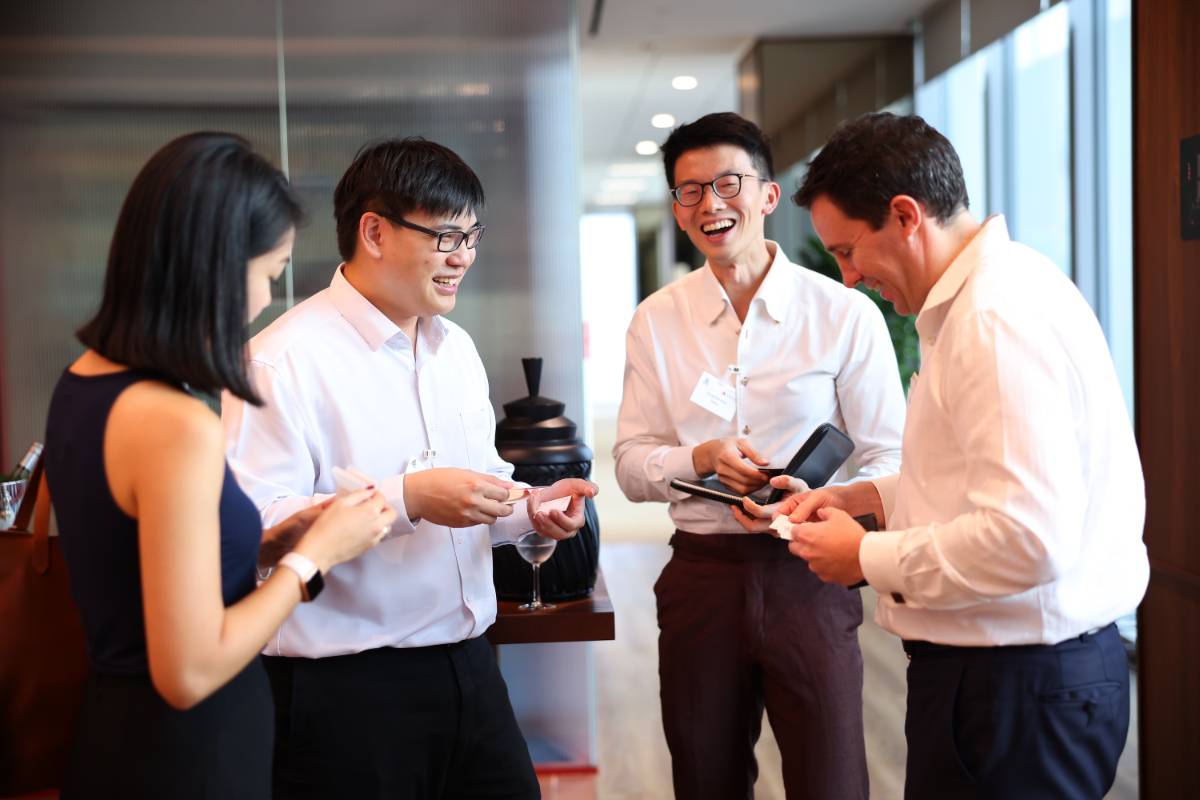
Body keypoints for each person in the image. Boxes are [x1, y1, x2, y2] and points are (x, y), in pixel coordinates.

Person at [743, 111, 1148, 798]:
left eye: (848, 251)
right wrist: (866, 499)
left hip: (1016, 687)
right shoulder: (997, 292)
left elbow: (1028, 538)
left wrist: (864, 557)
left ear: (906, 216)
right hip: (1014, 680)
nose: (848, 279)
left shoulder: (991, 318)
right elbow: (978, 478)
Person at [222, 136, 597, 800]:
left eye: (472, 237)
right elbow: (252, 531)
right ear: (374, 232)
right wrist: (408, 499)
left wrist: (527, 509)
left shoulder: (457, 349)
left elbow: (480, 479)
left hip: (472, 669)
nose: (464, 257)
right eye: (447, 236)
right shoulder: (280, 361)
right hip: (345, 696)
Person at [42, 132, 396, 799]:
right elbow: (190, 671)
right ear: (215, 266)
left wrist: (272, 541)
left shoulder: (82, 381)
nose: (265, 299)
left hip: (115, 739)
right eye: (269, 271)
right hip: (183, 758)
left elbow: (138, 565)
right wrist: (312, 559)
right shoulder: (174, 422)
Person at [612, 112, 905, 800]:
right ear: (678, 211)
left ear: (768, 195)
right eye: (689, 191)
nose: (709, 204)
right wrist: (701, 457)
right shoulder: (656, 320)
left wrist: (819, 504)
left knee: (831, 780)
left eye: (727, 183)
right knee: (705, 779)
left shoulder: (843, 313)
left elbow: (890, 457)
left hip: (811, 571)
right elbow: (628, 462)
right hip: (702, 577)